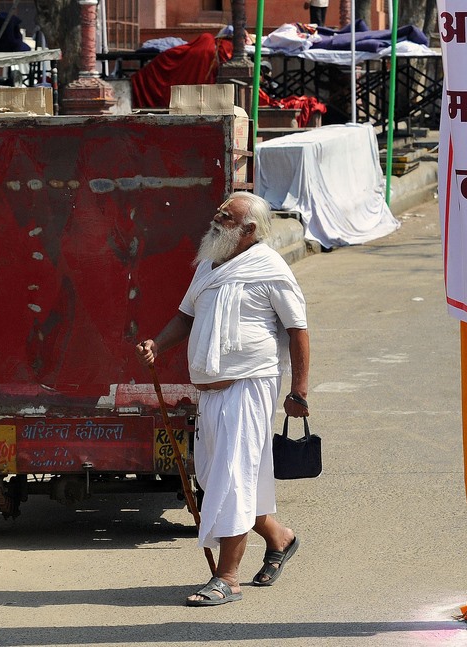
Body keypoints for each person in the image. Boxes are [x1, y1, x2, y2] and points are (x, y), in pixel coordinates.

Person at [135, 192, 310, 607]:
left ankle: (227, 578)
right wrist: (158, 344)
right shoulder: (208, 266)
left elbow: (298, 330)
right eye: (218, 213)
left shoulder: (270, 267)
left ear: (249, 230)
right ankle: (279, 537)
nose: (215, 219)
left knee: (232, 479)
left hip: (250, 385)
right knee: (215, 480)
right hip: (209, 392)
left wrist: (299, 391)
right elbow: (187, 315)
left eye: (225, 217)